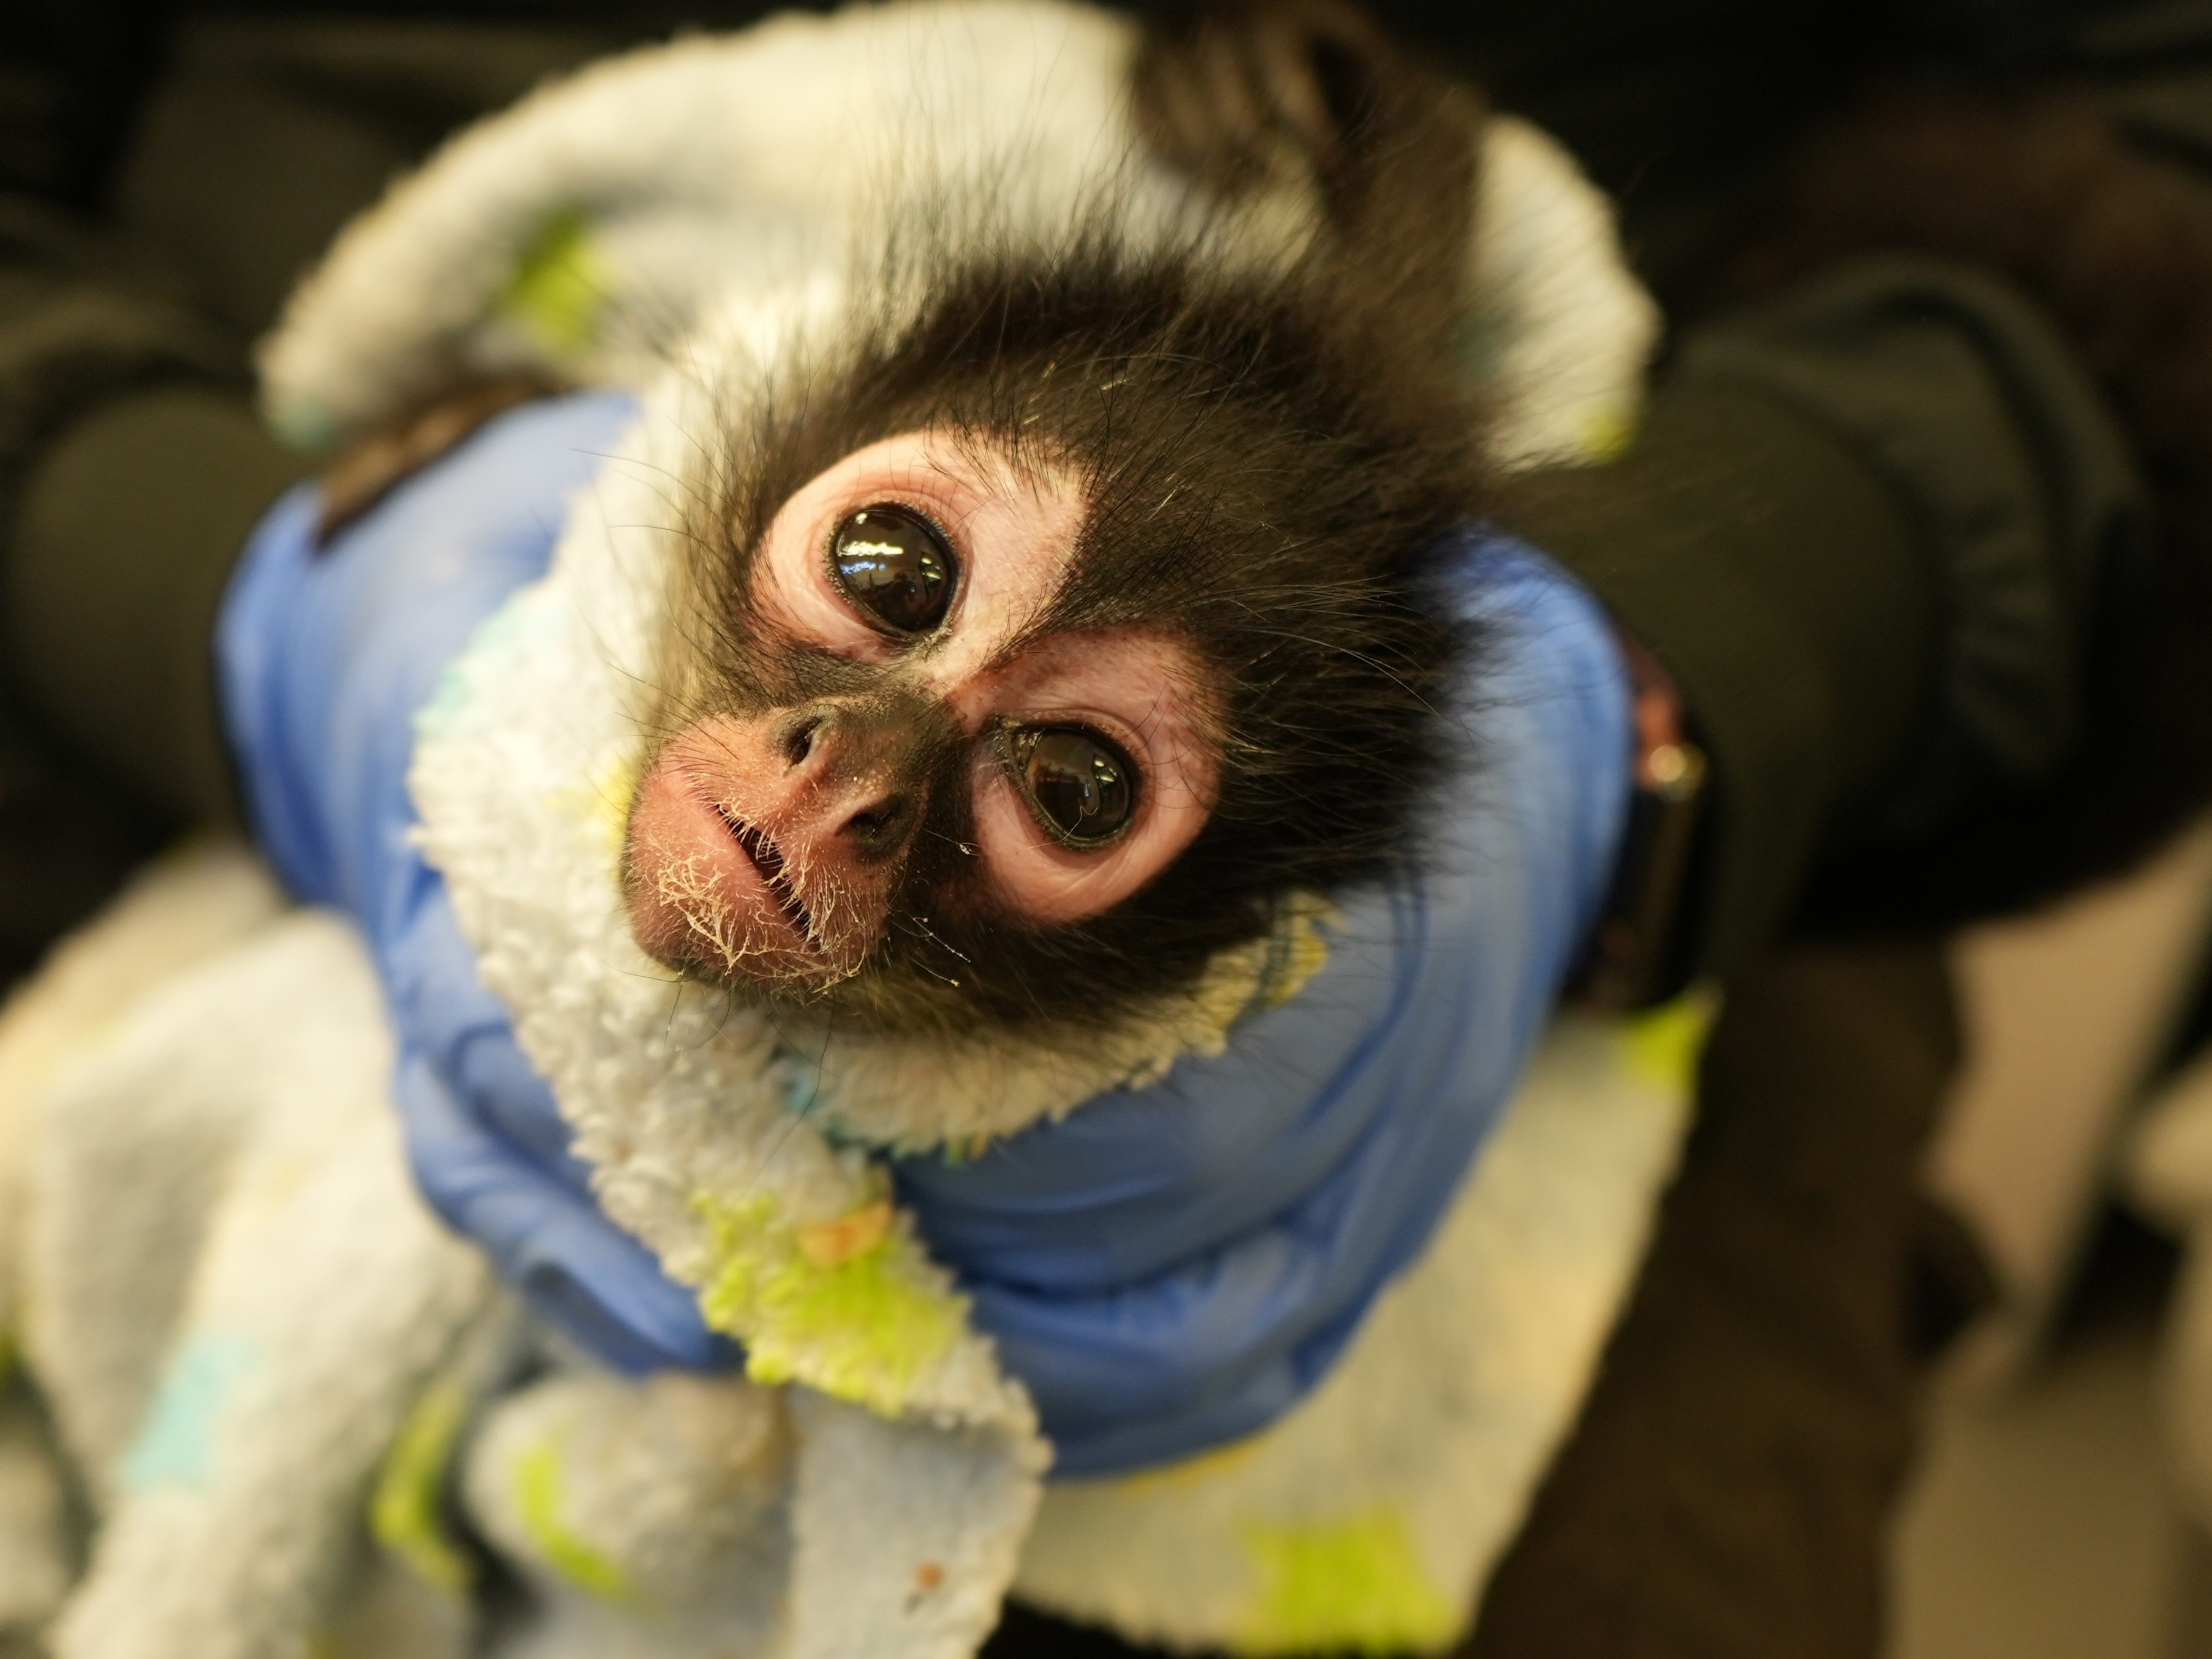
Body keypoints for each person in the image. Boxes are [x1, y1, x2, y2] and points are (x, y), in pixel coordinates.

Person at [2, 2, 2205, 1655]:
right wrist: (215, 582)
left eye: (1069, 787)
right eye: (884, 582)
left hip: (1694, 748)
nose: (842, 788)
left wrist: (1661, 698)